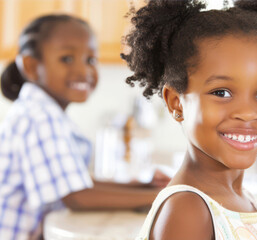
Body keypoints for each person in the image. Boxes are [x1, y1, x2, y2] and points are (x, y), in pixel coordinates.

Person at [120, 0, 257, 239]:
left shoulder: (243, 200)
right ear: (176, 102)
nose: (248, 113)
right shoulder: (188, 209)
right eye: (222, 93)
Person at [0, 14, 170, 240]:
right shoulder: (39, 116)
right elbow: (76, 196)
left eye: (90, 60)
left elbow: (73, 180)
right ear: (31, 66)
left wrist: (140, 186)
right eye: (67, 59)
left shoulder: (42, 111)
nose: (83, 71)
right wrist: (160, 197)